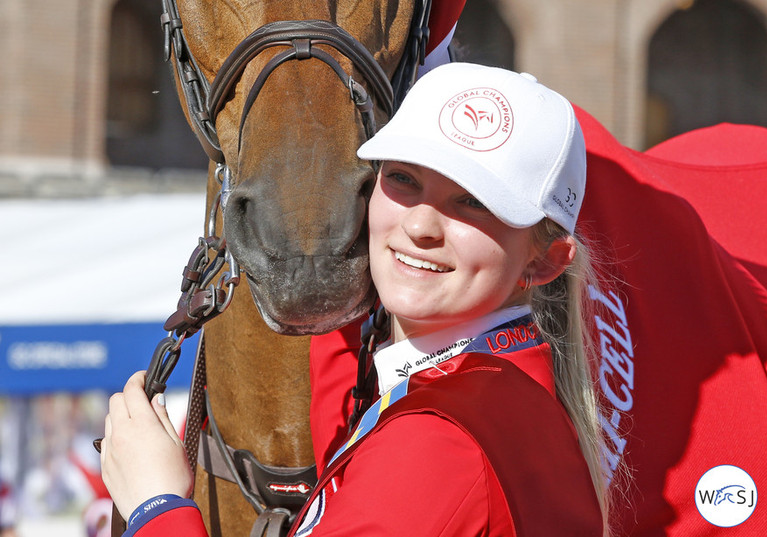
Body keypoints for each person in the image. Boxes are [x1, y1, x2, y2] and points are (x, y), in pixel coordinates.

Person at [100, 63, 610, 536]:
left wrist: (156, 504)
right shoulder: (498, 394)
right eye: (403, 179)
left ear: (544, 261)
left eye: (472, 202)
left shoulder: (437, 443)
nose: (419, 225)